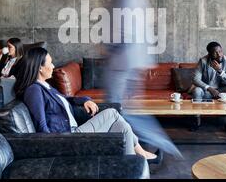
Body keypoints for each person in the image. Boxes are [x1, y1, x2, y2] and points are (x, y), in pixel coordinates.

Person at [14, 46, 159, 161]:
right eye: (50, 62)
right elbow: (41, 126)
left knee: (122, 127)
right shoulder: (34, 90)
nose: (53, 66)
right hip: (66, 138)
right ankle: (140, 153)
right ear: (39, 67)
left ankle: (130, 166)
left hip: (72, 132)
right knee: (112, 113)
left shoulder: (46, 86)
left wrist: (85, 100)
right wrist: (55, 145)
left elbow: (67, 99)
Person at [101, 0, 182, 160]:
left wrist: (108, 47)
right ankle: (136, 145)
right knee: (125, 108)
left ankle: (140, 146)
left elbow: (126, 29)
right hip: (129, 61)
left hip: (121, 61)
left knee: (115, 107)